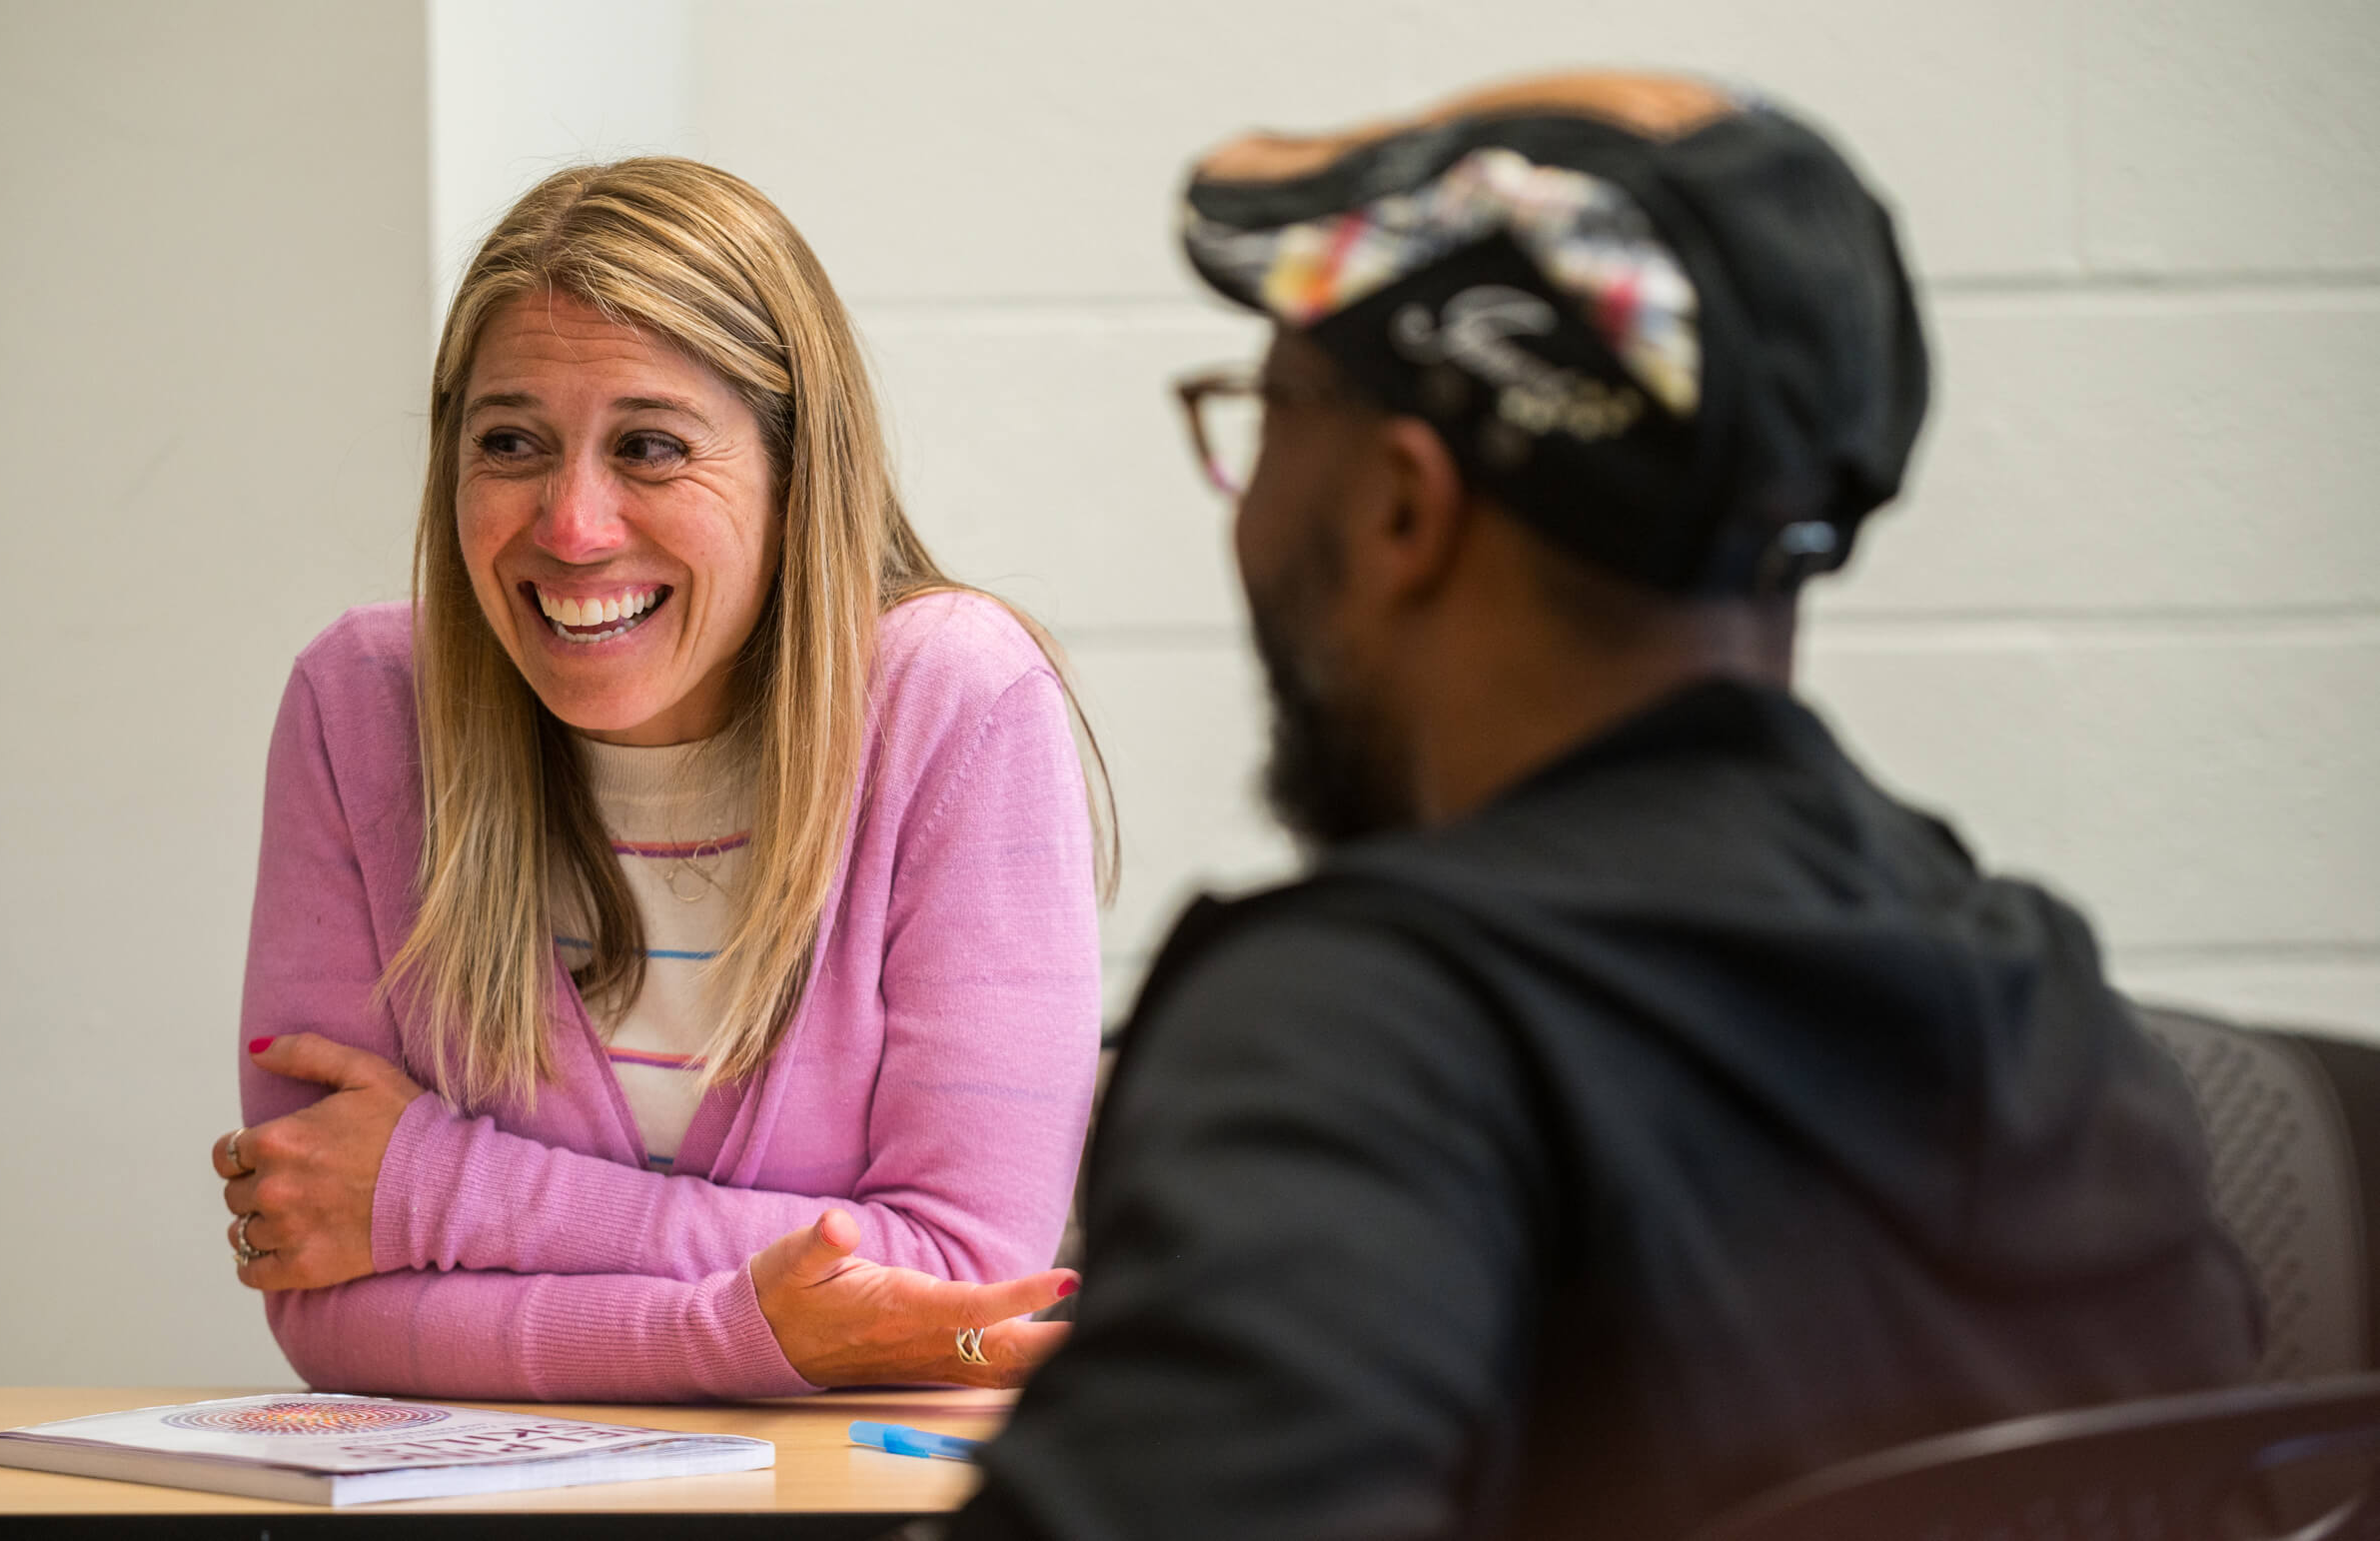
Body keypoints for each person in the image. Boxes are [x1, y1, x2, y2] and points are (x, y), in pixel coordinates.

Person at [943, 71, 2259, 1540]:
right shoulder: (2044, 997)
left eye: (1269, 416)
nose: (1244, 504)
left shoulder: (1362, 1033)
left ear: (1401, 502)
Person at [208, 158, 1109, 1401]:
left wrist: (430, 1192)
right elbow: (319, 1288)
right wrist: (752, 1324)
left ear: (797, 475)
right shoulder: (360, 706)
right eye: (510, 443)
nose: (572, 524)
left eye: (650, 447)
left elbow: (953, 1284)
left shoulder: (951, 701)